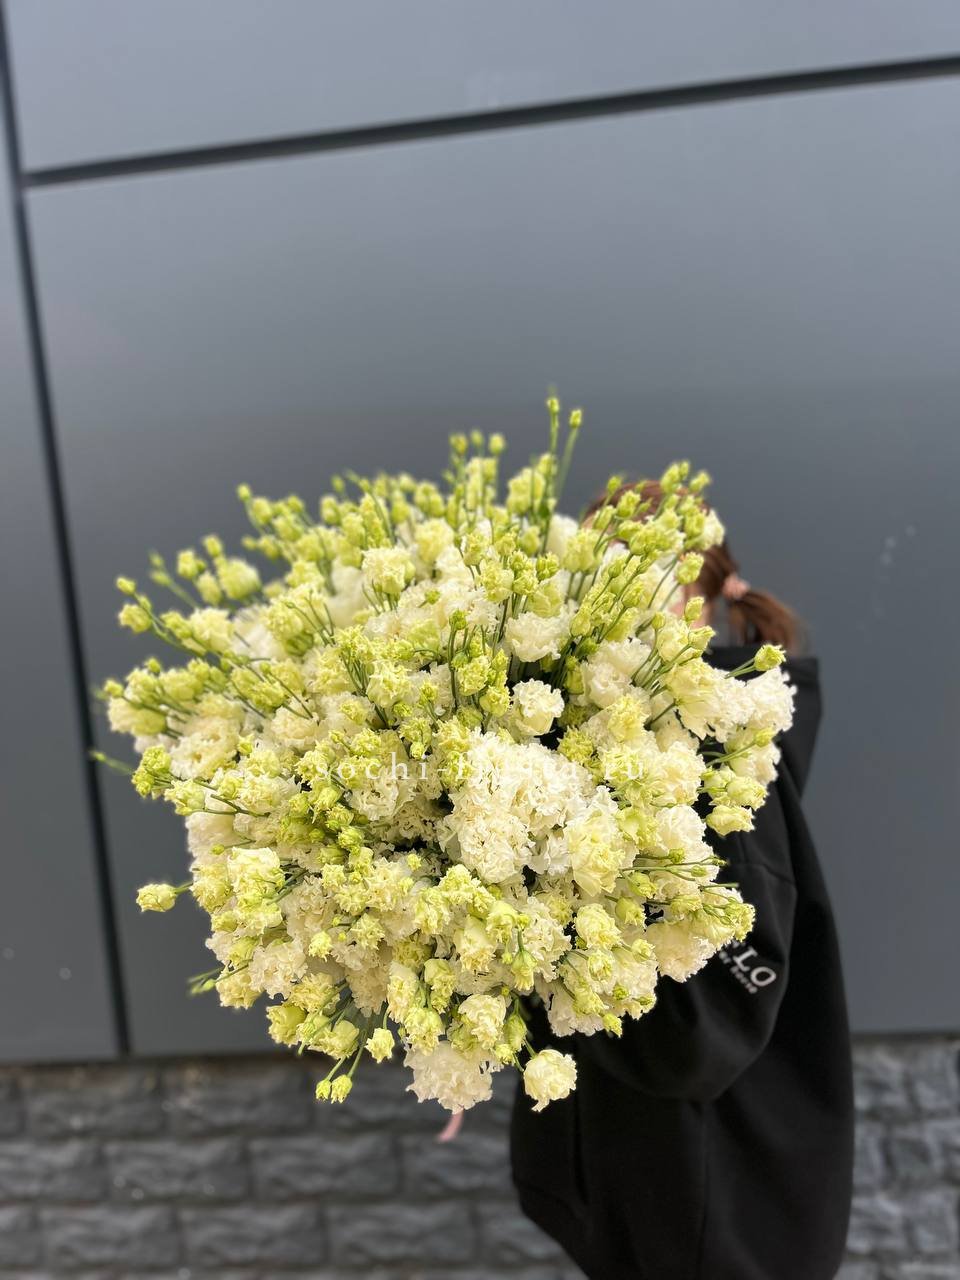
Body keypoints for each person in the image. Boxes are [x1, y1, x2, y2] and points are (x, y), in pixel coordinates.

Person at [510, 485, 854, 1280]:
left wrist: (549, 947)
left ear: (696, 609)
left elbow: (705, 1034)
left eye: (638, 584)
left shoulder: (722, 765)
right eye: (589, 580)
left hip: (716, 1219)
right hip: (647, 1195)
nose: (604, 611)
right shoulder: (598, 739)